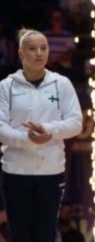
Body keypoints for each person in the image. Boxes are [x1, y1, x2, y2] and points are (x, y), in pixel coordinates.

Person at [0, 28, 83, 242]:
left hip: (51, 171)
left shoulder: (62, 84)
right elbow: (0, 127)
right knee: (19, 235)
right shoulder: (6, 86)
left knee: (45, 235)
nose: (39, 53)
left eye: (43, 48)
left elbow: (76, 123)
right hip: (16, 171)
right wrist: (26, 139)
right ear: (20, 54)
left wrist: (49, 131)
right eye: (32, 49)